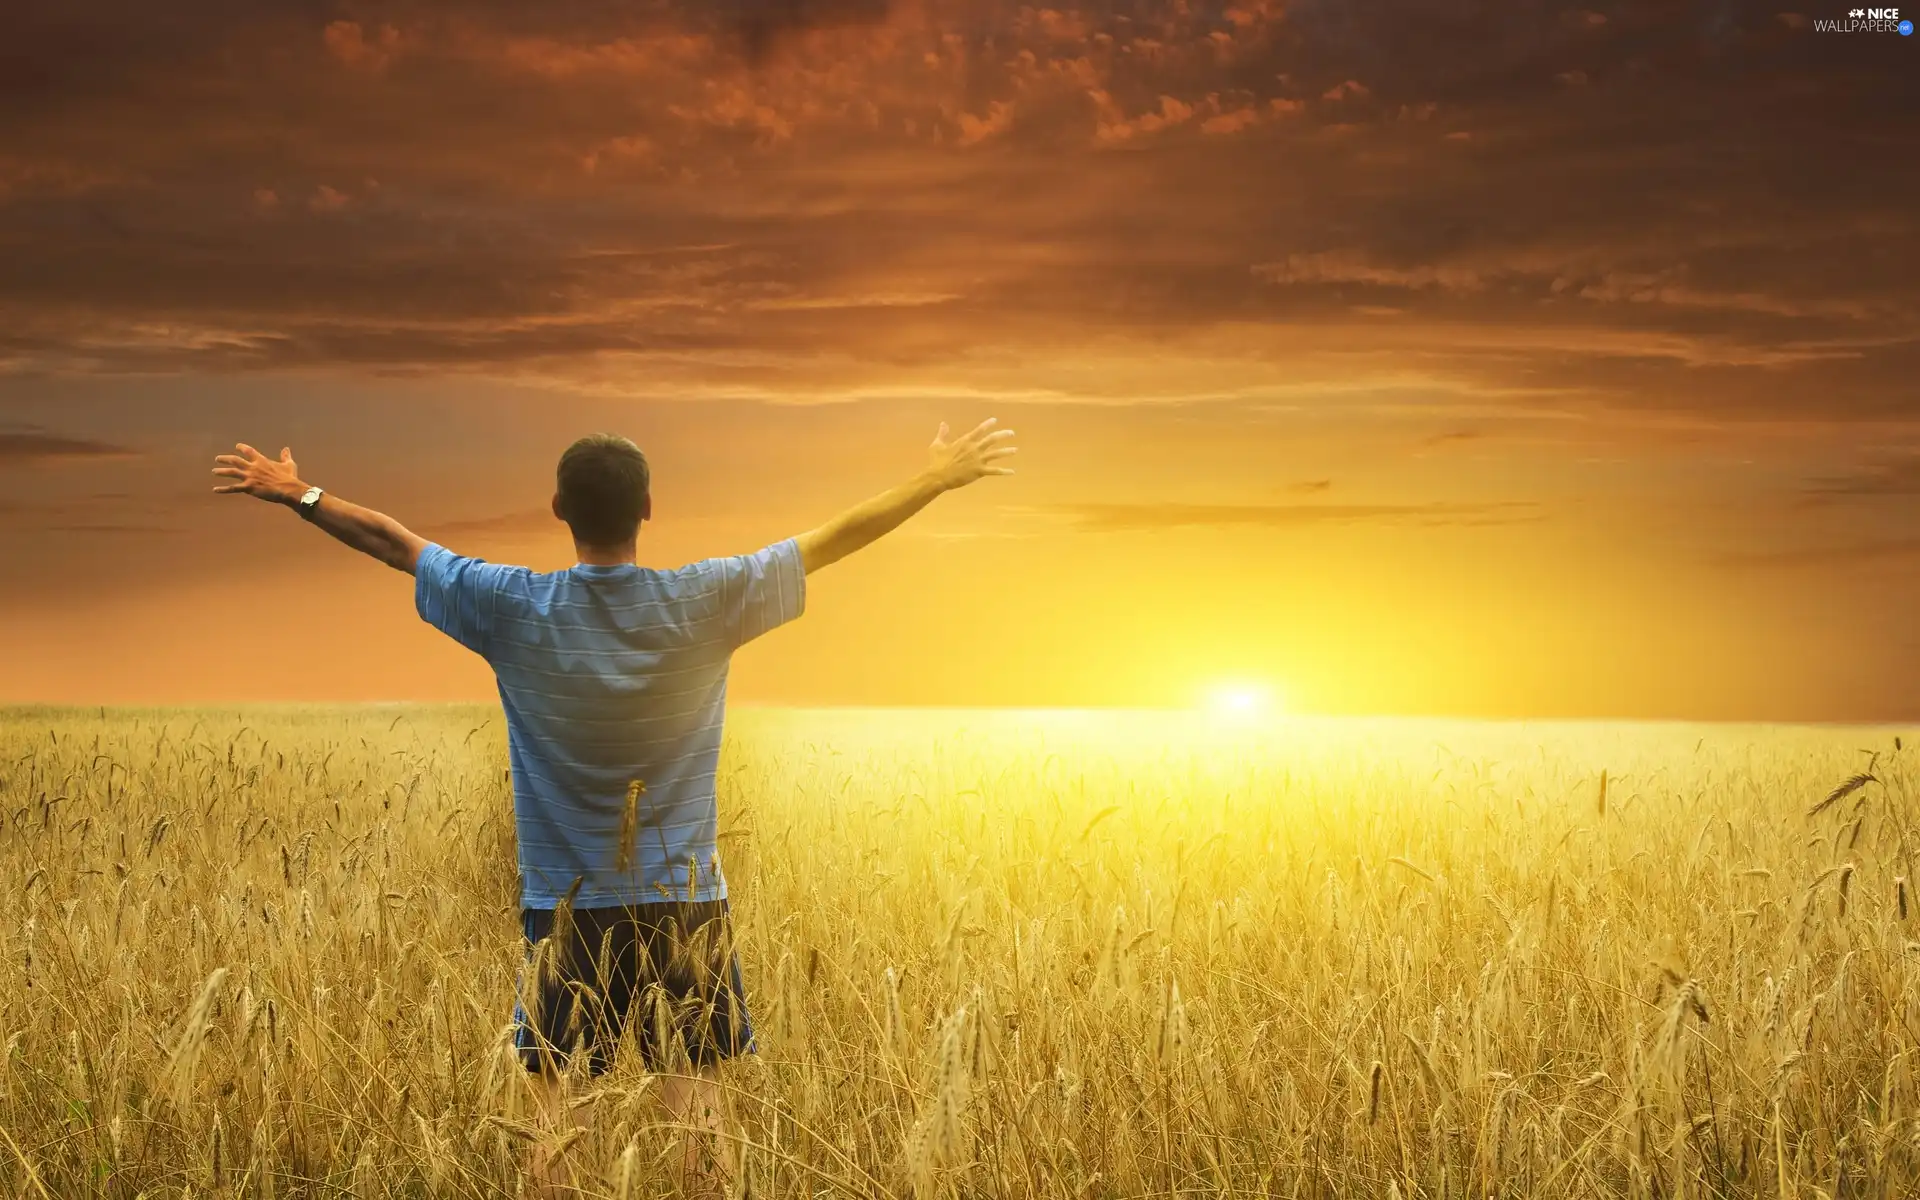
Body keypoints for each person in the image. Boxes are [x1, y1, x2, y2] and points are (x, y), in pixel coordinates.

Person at [210, 418, 1018, 1198]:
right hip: (685, 900)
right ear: (648, 509)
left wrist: (299, 492)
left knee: (553, 1113)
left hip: (565, 908)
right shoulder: (706, 600)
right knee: (698, 1105)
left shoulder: (511, 606)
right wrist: (935, 479)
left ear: (558, 510)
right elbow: (833, 540)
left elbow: (394, 542)